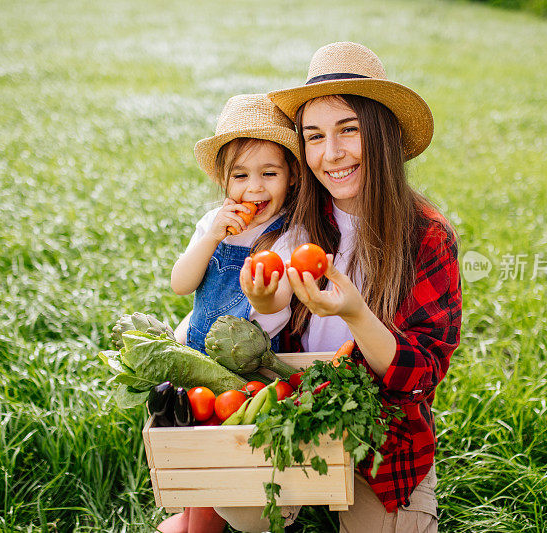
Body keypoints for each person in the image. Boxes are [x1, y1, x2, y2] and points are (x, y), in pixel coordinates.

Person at [219, 42, 463, 533]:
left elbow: (422, 374)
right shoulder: (294, 226)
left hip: (384, 433)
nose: (331, 155)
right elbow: (257, 354)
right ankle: (294, 497)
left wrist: (356, 313)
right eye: (313, 137)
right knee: (244, 510)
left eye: (348, 130)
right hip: (298, 413)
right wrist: (266, 307)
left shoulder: (426, 235)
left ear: (382, 134)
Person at [159, 93, 300, 533]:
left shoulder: (290, 234)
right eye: (240, 175)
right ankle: (196, 516)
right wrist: (209, 240)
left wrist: (261, 296)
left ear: (291, 177)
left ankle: (235, 513)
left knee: (234, 453)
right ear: (224, 179)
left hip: (249, 373)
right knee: (197, 449)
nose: (254, 188)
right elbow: (181, 284)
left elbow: (278, 309)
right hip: (199, 360)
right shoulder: (213, 223)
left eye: (269, 174)